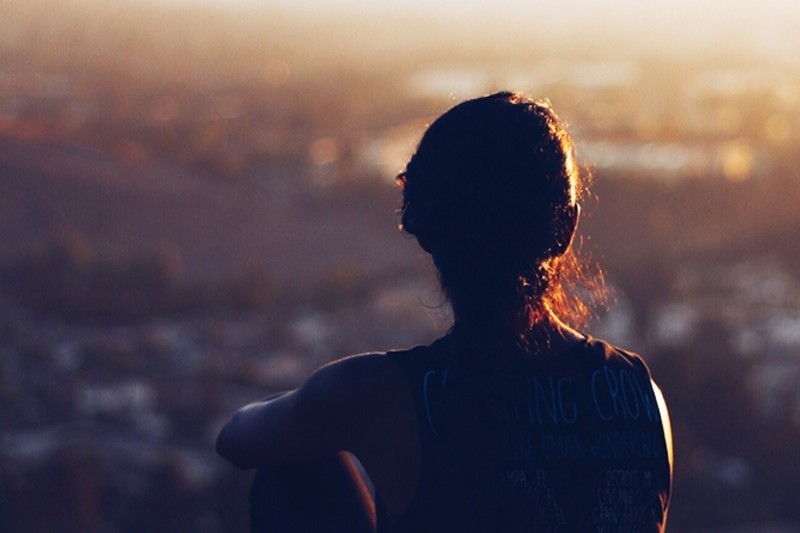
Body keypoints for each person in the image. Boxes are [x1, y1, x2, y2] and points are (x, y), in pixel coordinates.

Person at [216, 91, 673, 532]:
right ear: (565, 229)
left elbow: (236, 439)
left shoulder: (379, 395)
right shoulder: (640, 396)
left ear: (428, 232)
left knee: (294, 465)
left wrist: (324, 409)